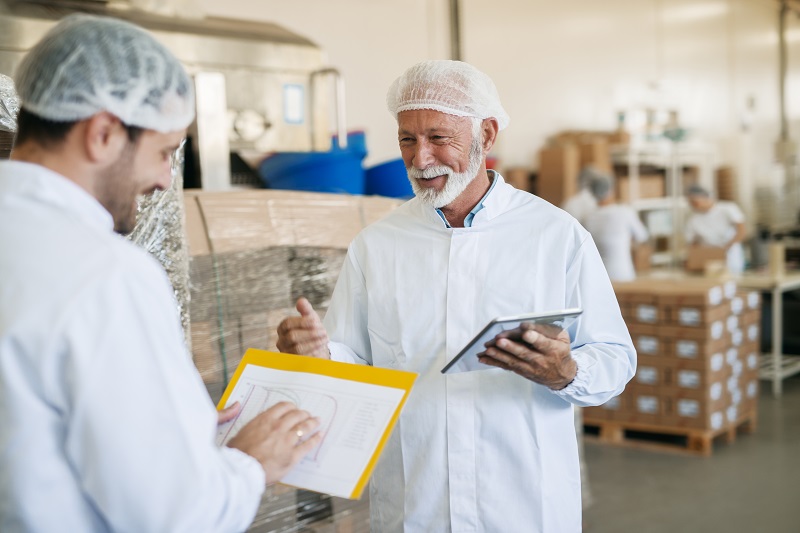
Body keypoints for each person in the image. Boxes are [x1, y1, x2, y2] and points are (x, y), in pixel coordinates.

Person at [276, 59, 636, 532]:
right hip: (417, 500)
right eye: (407, 139)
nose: (420, 158)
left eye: (438, 138)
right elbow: (355, 364)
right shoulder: (378, 244)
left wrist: (565, 371)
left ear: (486, 135)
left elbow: (614, 358)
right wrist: (318, 352)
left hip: (522, 501)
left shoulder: (554, 235)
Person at [0, 15, 322, 532]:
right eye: (165, 152)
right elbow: (175, 516)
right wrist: (249, 461)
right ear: (103, 133)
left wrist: (177, 426)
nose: (161, 180)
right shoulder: (106, 272)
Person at [584, 173, 650, 281]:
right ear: (611, 191)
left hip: (599, 276)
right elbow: (642, 236)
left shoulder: (587, 217)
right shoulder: (624, 212)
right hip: (623, 275)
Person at [685, 183, 746, 274]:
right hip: (708, 259)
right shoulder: (693, 220)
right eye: (691, 203)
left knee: (730, 281)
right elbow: (693, 243)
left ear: (705, 197)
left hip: (730, 255)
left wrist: (727, 247)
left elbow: (741, 230)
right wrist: (693, 259)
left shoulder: (728, 209)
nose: (693, 205)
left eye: (695, 202)